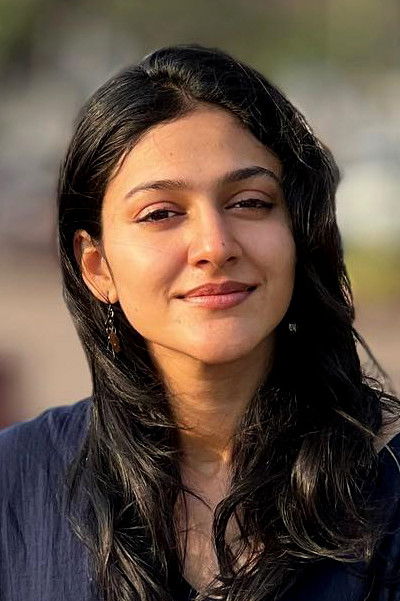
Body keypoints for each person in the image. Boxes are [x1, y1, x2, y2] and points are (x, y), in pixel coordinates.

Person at [0, 43, 399, 601]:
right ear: (97, 267)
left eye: (250, 202)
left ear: (300, 234)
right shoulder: (17, 484)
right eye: (161, 213)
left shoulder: (389, 480)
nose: (214, 245)